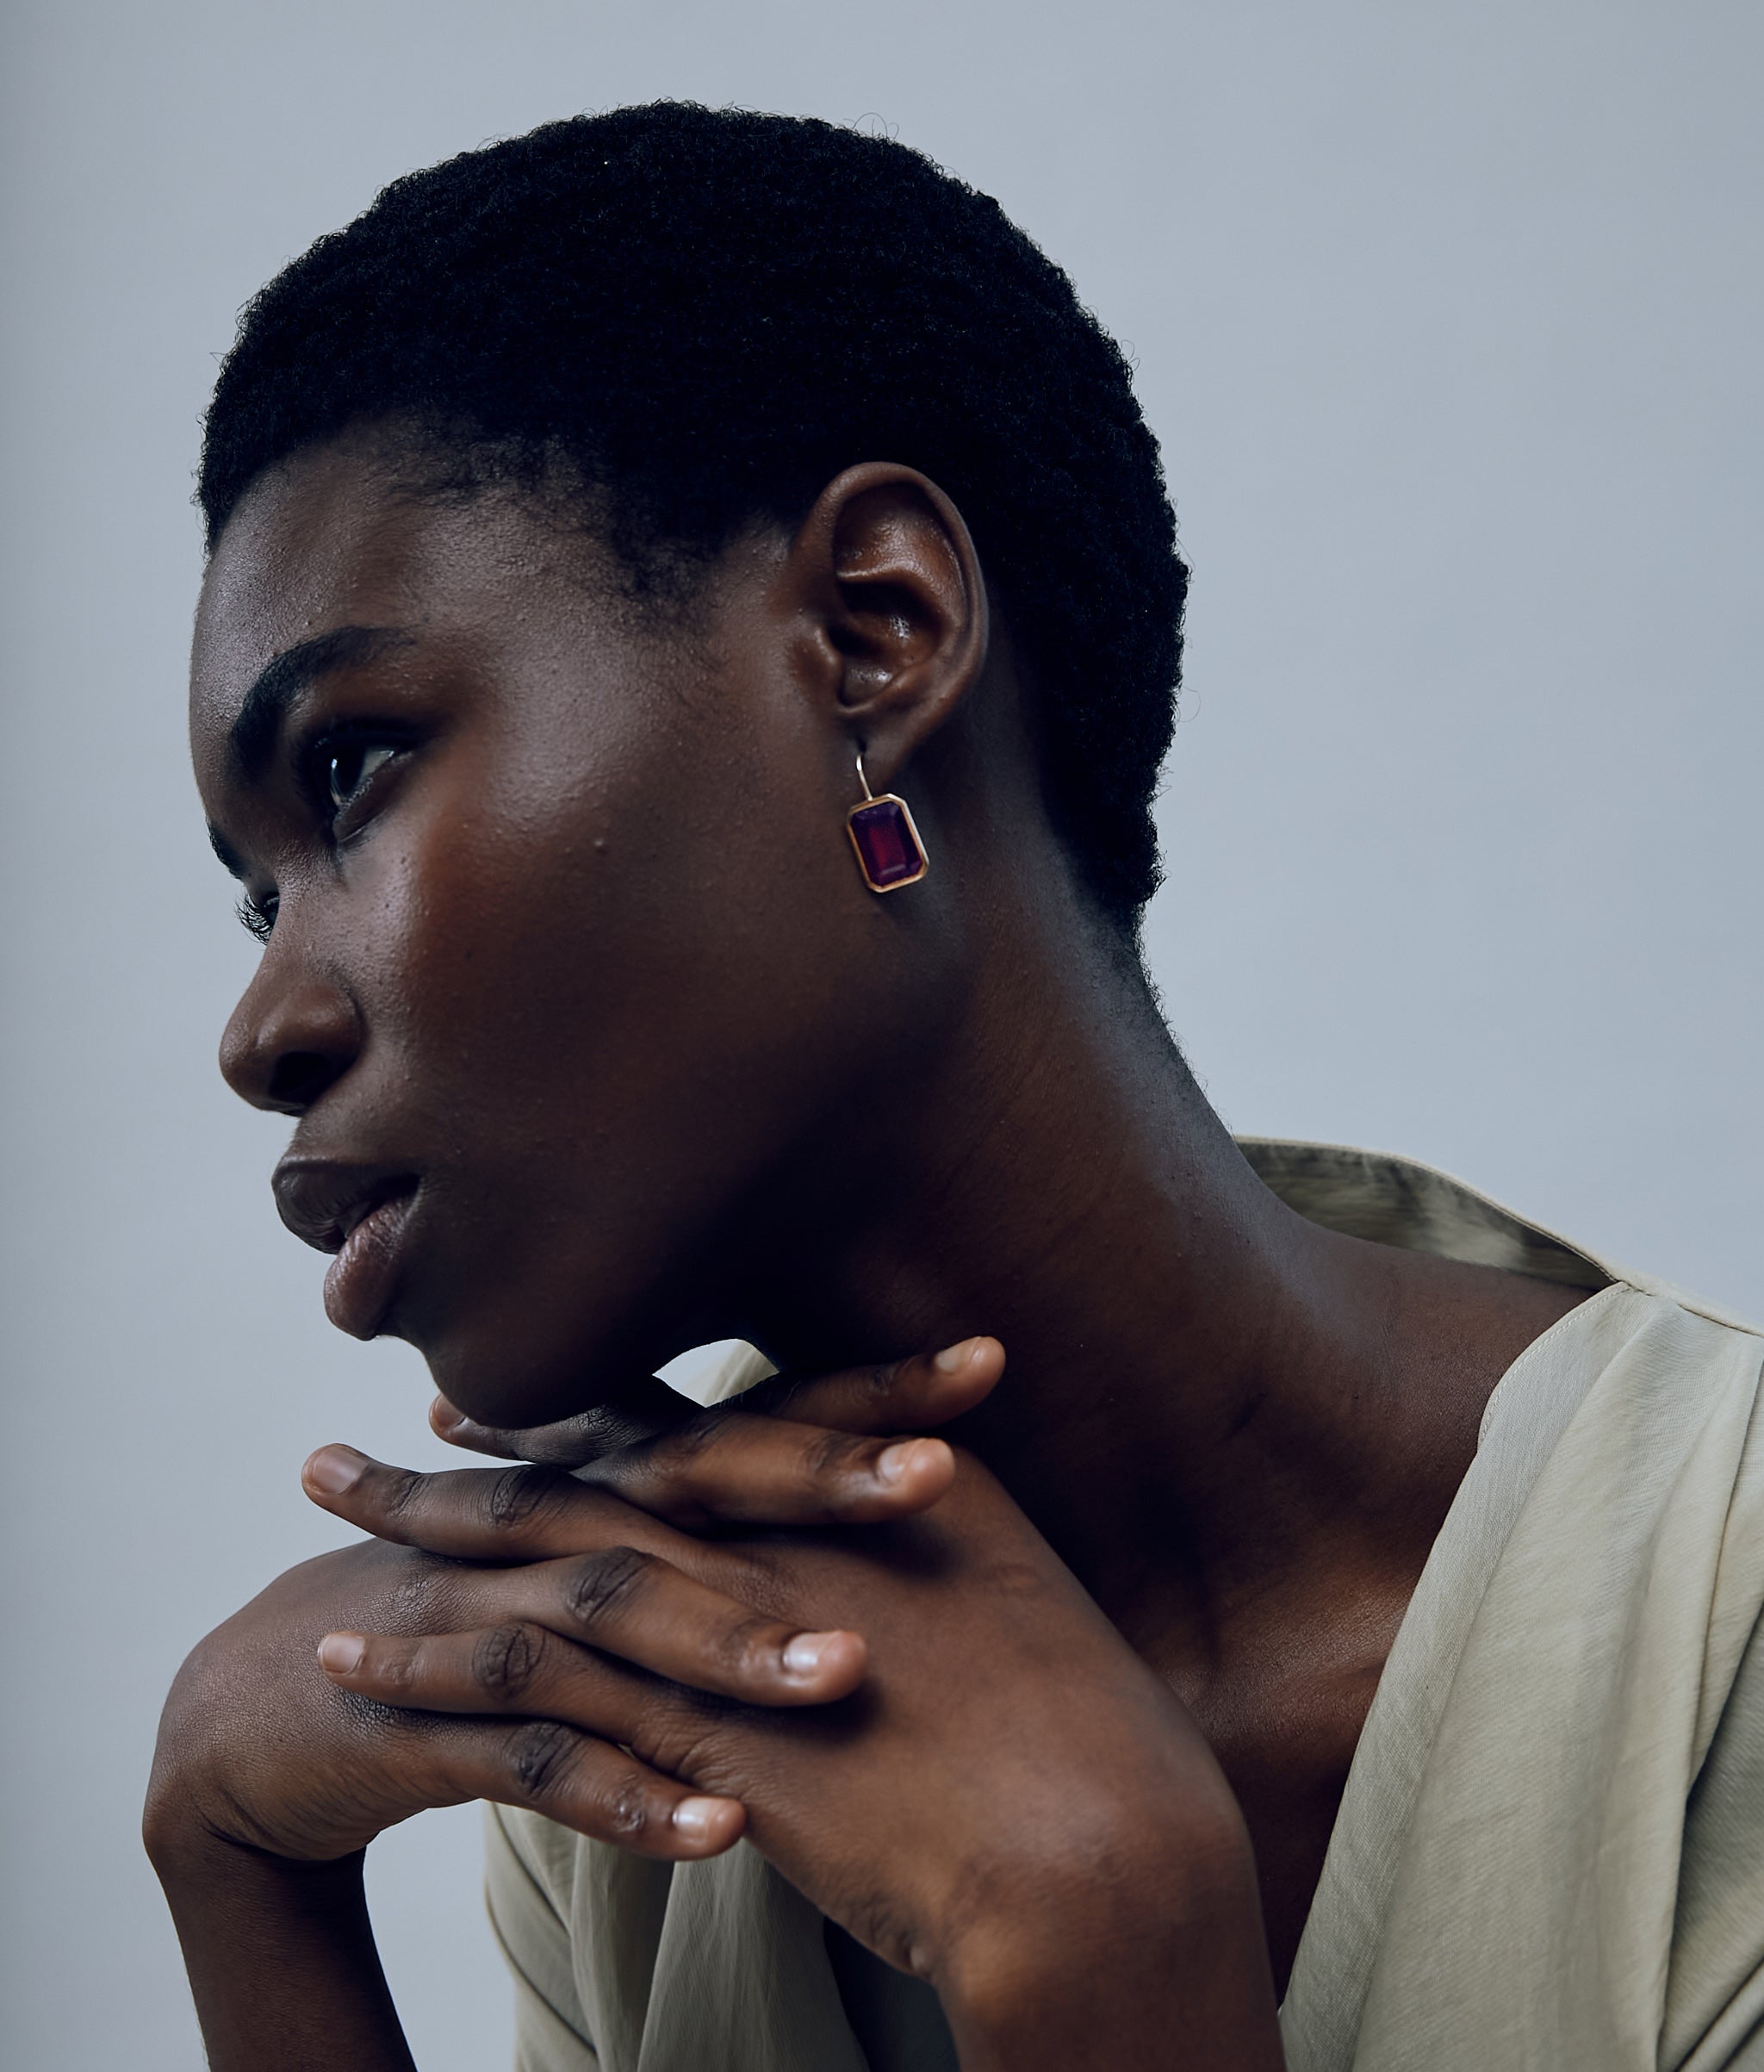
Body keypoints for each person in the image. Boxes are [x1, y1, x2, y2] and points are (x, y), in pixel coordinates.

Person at [146, 103, 1764, 2072]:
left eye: (348, 772)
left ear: (871, 636)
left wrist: (1103, 1953)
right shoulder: (635, 1740)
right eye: (256, 904)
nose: (260, 1029)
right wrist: (241, 1879)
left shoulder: (1724, 1625)